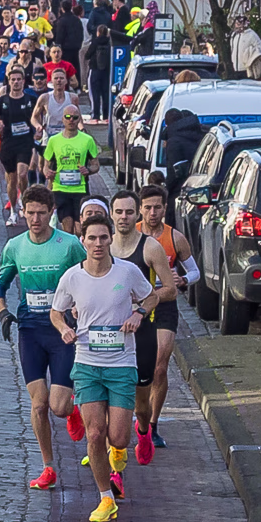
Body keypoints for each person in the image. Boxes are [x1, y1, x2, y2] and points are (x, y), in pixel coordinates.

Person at [49, 211, 163, 522]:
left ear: (111, 239)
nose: (98, 243)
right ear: (83, 241)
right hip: (87, 364)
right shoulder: (72, 277)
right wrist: (64, 328)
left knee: (119, 437)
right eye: (92, 238)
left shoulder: (127, 272)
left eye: (103, 237)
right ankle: (105, 498)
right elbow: (56, 312)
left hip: (121, 364)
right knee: (95, 434)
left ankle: (120, 450)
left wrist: (139, 314)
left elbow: (152, 297)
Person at [0, 185, 88, 491]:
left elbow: (88, 274)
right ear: (22, 212)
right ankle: (48, 467)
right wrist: (3, 312)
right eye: (30, 213)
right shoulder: (15, 246)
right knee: (38, 405)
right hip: (31, 332)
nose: (35, 219)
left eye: (41, 213)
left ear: (52, 213)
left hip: (61, 332)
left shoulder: (69, 245)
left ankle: (72, 410)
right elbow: (0, 284)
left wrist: (81, 306)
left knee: (58, 406)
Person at [106, 189, 175, 471]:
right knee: (108, 400)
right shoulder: (102, 246)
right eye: (119, 212)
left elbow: (170, 289)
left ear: (137, 215)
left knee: (140, 405)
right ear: (111, 215)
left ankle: (144, 430)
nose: (123, 217)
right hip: (109, 334)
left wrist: (142, 305)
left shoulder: (150, 248)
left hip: (142, 332)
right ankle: (113, 460)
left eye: (129, 212)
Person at [134, 184, 195, 453]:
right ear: (140, 209)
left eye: (157, 207)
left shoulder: (175, 238)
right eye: (147, 207)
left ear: (165, 208)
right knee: (136, 366)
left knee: (159, 367)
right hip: (136, 307)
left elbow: (195, 272)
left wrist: (184, 279)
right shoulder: (132, 235)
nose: (152, 212)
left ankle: (153, 425)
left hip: (165, 305)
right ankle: (138, 414)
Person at [0, 68, 40, 223]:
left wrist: (38, 130)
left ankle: (23, 200)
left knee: (22, 174)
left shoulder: (31, 100)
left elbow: (39, 118)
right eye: (13, 80)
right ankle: (13, 210)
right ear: (9, 82)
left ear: (23, 81)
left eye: (19, 79)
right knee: (11, 179)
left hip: (25, 142)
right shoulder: (2, 101)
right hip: (8, 143)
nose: (16, 82)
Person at [43, 106, 101, 234]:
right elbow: (46, 165)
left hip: (80, 189)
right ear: (62, 119)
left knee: (80, 230)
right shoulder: (54, 140)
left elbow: (96, 165)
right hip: (60, 188)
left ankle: (79, 246)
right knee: (67, 228)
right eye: (68, 117)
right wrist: (48, 172)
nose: (71, 120)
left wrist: (88, 170)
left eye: (75, 117)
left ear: (79, 119)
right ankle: (70, 247)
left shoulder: (87, 140)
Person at [230, 14, 261, 82]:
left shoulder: (252, 35)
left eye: (239, 24)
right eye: (236, 24)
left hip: (246, 70)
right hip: (234, 69)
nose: (237, 26)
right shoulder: (234, 35)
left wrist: (251, 52)